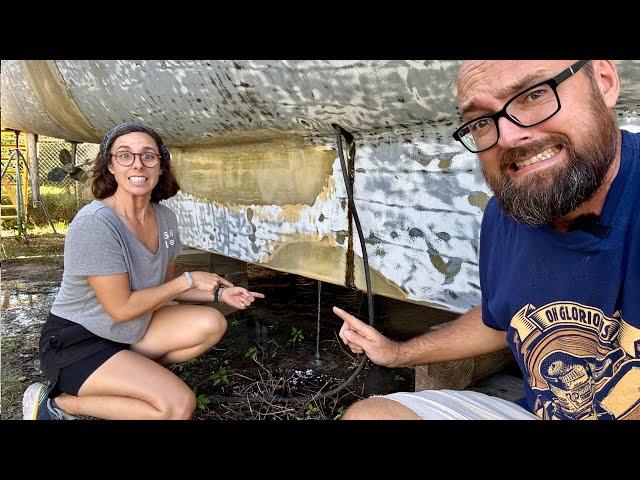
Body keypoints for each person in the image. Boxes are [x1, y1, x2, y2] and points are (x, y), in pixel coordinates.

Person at [333, 60, 640, 420]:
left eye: (535, 94)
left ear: (604, 82)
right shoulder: (507, 214)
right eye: (481, 121)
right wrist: (396, 352)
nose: (508, 137)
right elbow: (502, 318)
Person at [22, 121, 265, 420]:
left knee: (212, 323)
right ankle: (56, 404)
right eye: (125, 155)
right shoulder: (95, 223)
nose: (138, 163)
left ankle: (133, 380)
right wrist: (189, 280)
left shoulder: (165, 219)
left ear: (161, 167)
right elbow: (122, 309)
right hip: (77, 343)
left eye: (148, 156)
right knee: (177, 406)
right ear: (110, 166)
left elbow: (160, 291)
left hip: (128, 333)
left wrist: (220, 293)